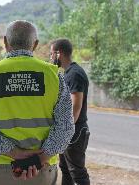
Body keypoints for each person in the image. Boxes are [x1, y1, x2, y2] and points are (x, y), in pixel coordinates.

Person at [0, 20, 75, 185]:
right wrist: (41, 157)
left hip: (1, 168)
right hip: (43, 169)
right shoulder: (54, 76)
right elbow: (66, 127)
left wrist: (14, 153)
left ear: (6, 42)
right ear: (35, 45)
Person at [50, 39, 90, 185]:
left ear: (58, 54)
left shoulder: (75, 74)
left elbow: (76, 106)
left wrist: (65, 131)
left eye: (51, 54)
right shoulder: (68, 73)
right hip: (69, 130)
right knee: (66, 169)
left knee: (77, 173)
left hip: (75, 131)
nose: (50, 58)